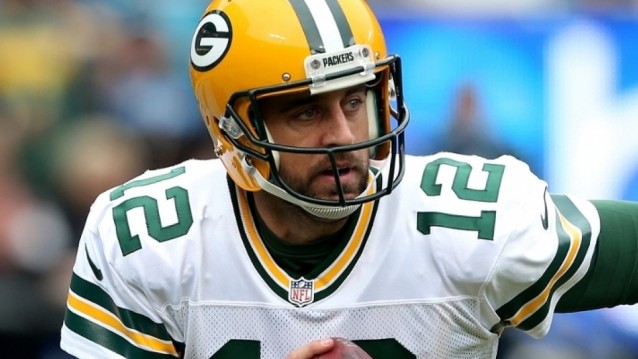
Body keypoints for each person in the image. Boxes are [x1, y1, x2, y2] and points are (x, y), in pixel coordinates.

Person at [59, 0, 638, 358]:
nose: (342, 135)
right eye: (306, 111)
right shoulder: (147, 238)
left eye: (355, 99)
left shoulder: (469, 222)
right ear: (231, 130)